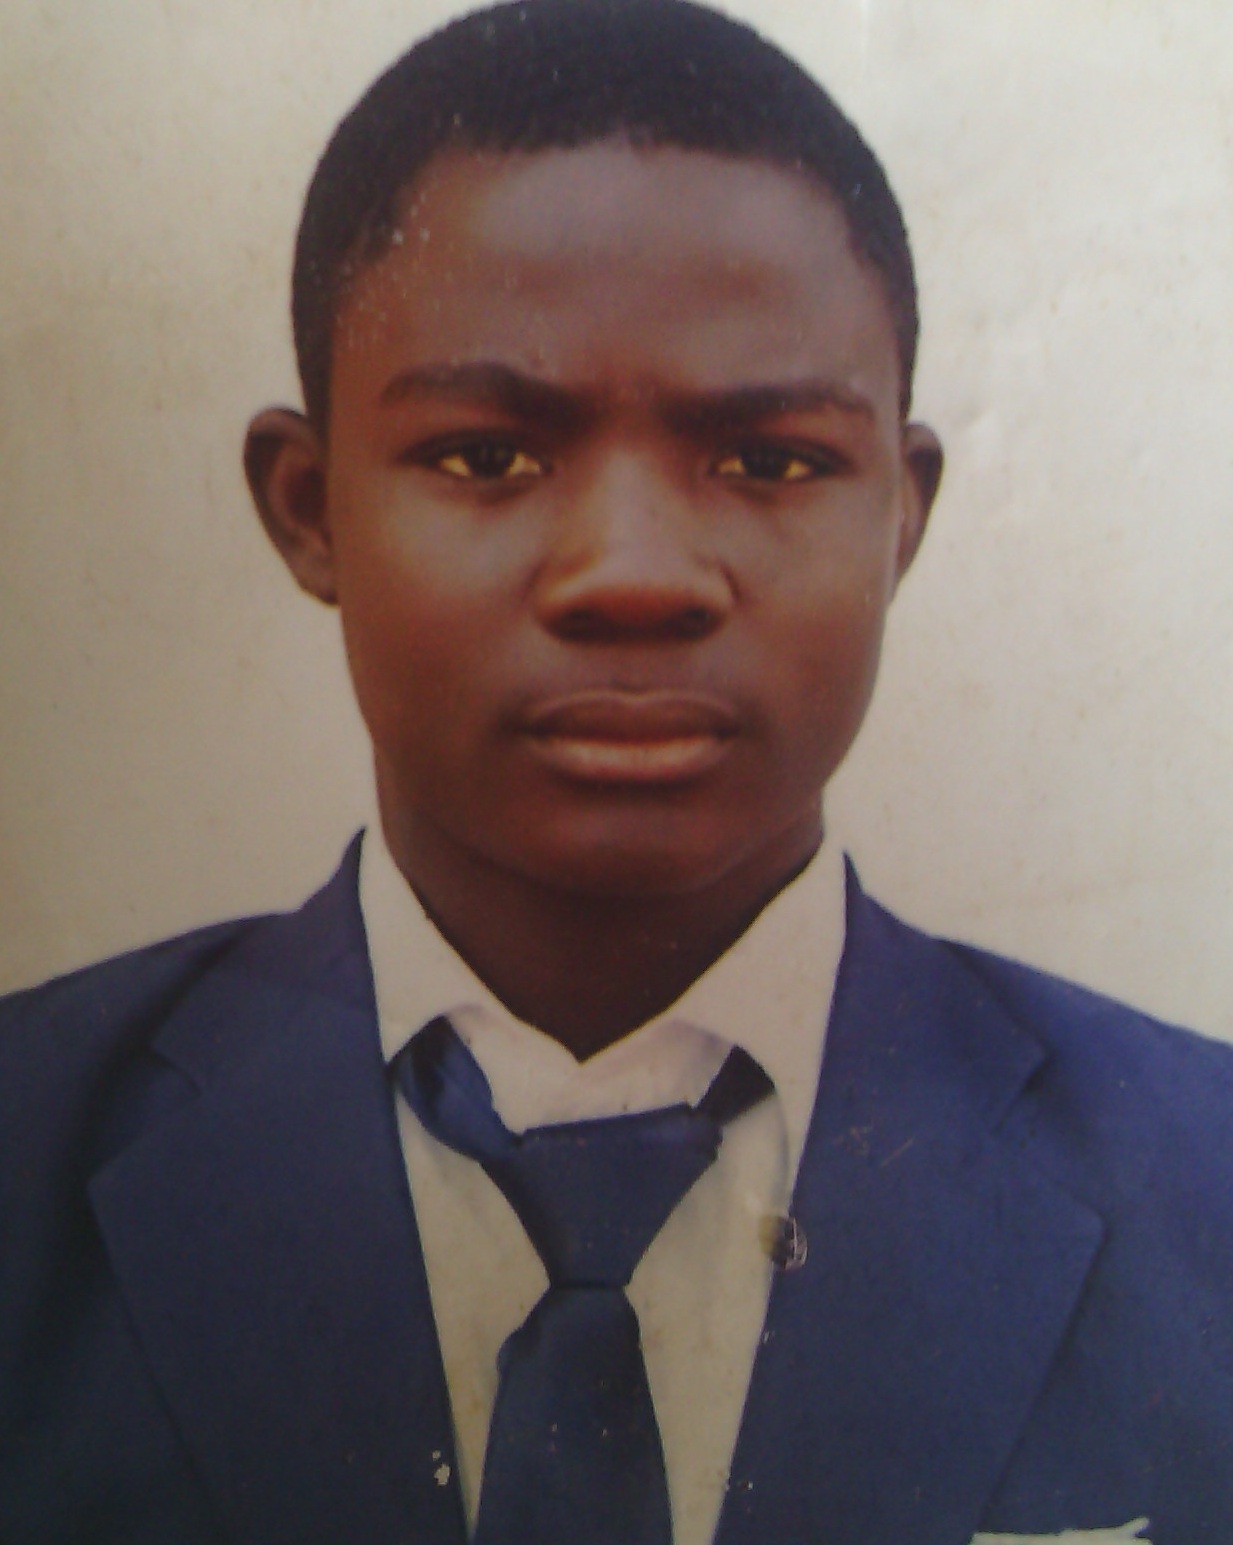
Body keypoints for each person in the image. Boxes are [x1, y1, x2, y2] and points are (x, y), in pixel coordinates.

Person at [0, 1, 1229, 1542]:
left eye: (770, 460)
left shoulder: (1208, 1183)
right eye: (486, 455)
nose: (635, 574)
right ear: (309, 508)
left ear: (899, 514)